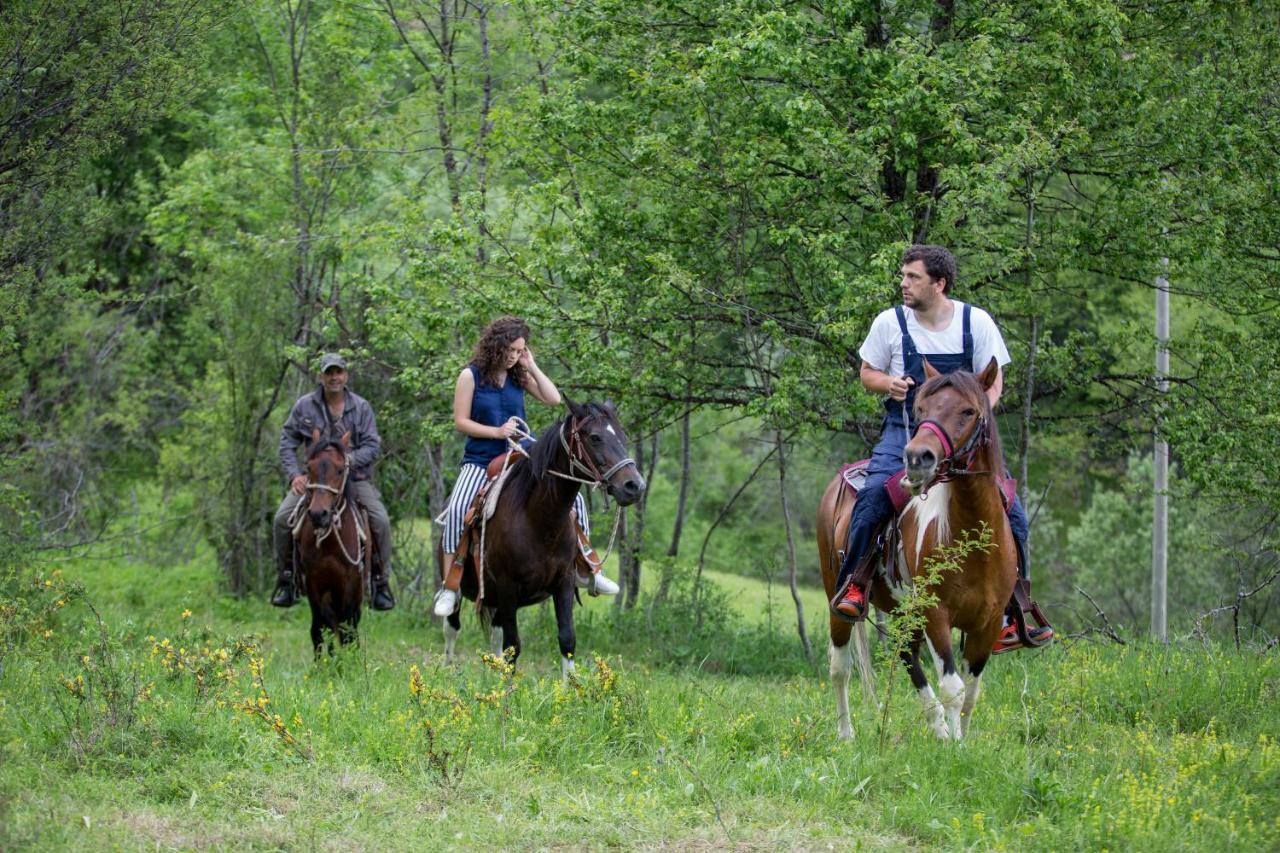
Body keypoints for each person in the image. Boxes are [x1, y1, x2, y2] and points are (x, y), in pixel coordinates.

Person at [831, 245, 1051, 652]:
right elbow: (867, 372)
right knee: (877, 495)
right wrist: (888, 384)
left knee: (1014, 516)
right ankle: (855, 584)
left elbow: (994, 382)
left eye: (912, 277)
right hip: (907, 429)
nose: (903, 283)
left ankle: (1014, 609)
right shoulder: (890, 323)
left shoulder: (976, 322)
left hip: (968, 437)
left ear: (939, 283)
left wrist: (975, 417)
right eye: (903, 276)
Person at [433, 316, 619, 618]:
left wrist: (530, 365)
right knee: (456, 510)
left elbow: (553, 398)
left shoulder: (519, 375)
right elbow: (460, 421)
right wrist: (496, 432)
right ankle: (450, 587)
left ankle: (589, 569)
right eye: (510, 349)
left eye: (520, 351)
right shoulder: (471, 376)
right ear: (495, 344)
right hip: (481, 459)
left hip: (523, 457)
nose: (513, 356)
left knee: (576, 500)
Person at [271, 353, 395, 611]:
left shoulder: (360, 407)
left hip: (354, 478)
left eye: (338, 372)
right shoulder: (304, 406)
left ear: (346, 376)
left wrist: (346, 461)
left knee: (380, 520)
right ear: (321, 376)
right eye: (329, 373)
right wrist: (295, 474)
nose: (334, 377)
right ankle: (286, 580)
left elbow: (373, 445)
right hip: (315, 482)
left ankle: (380, 583)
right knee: (282, 519)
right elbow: (287, 441)